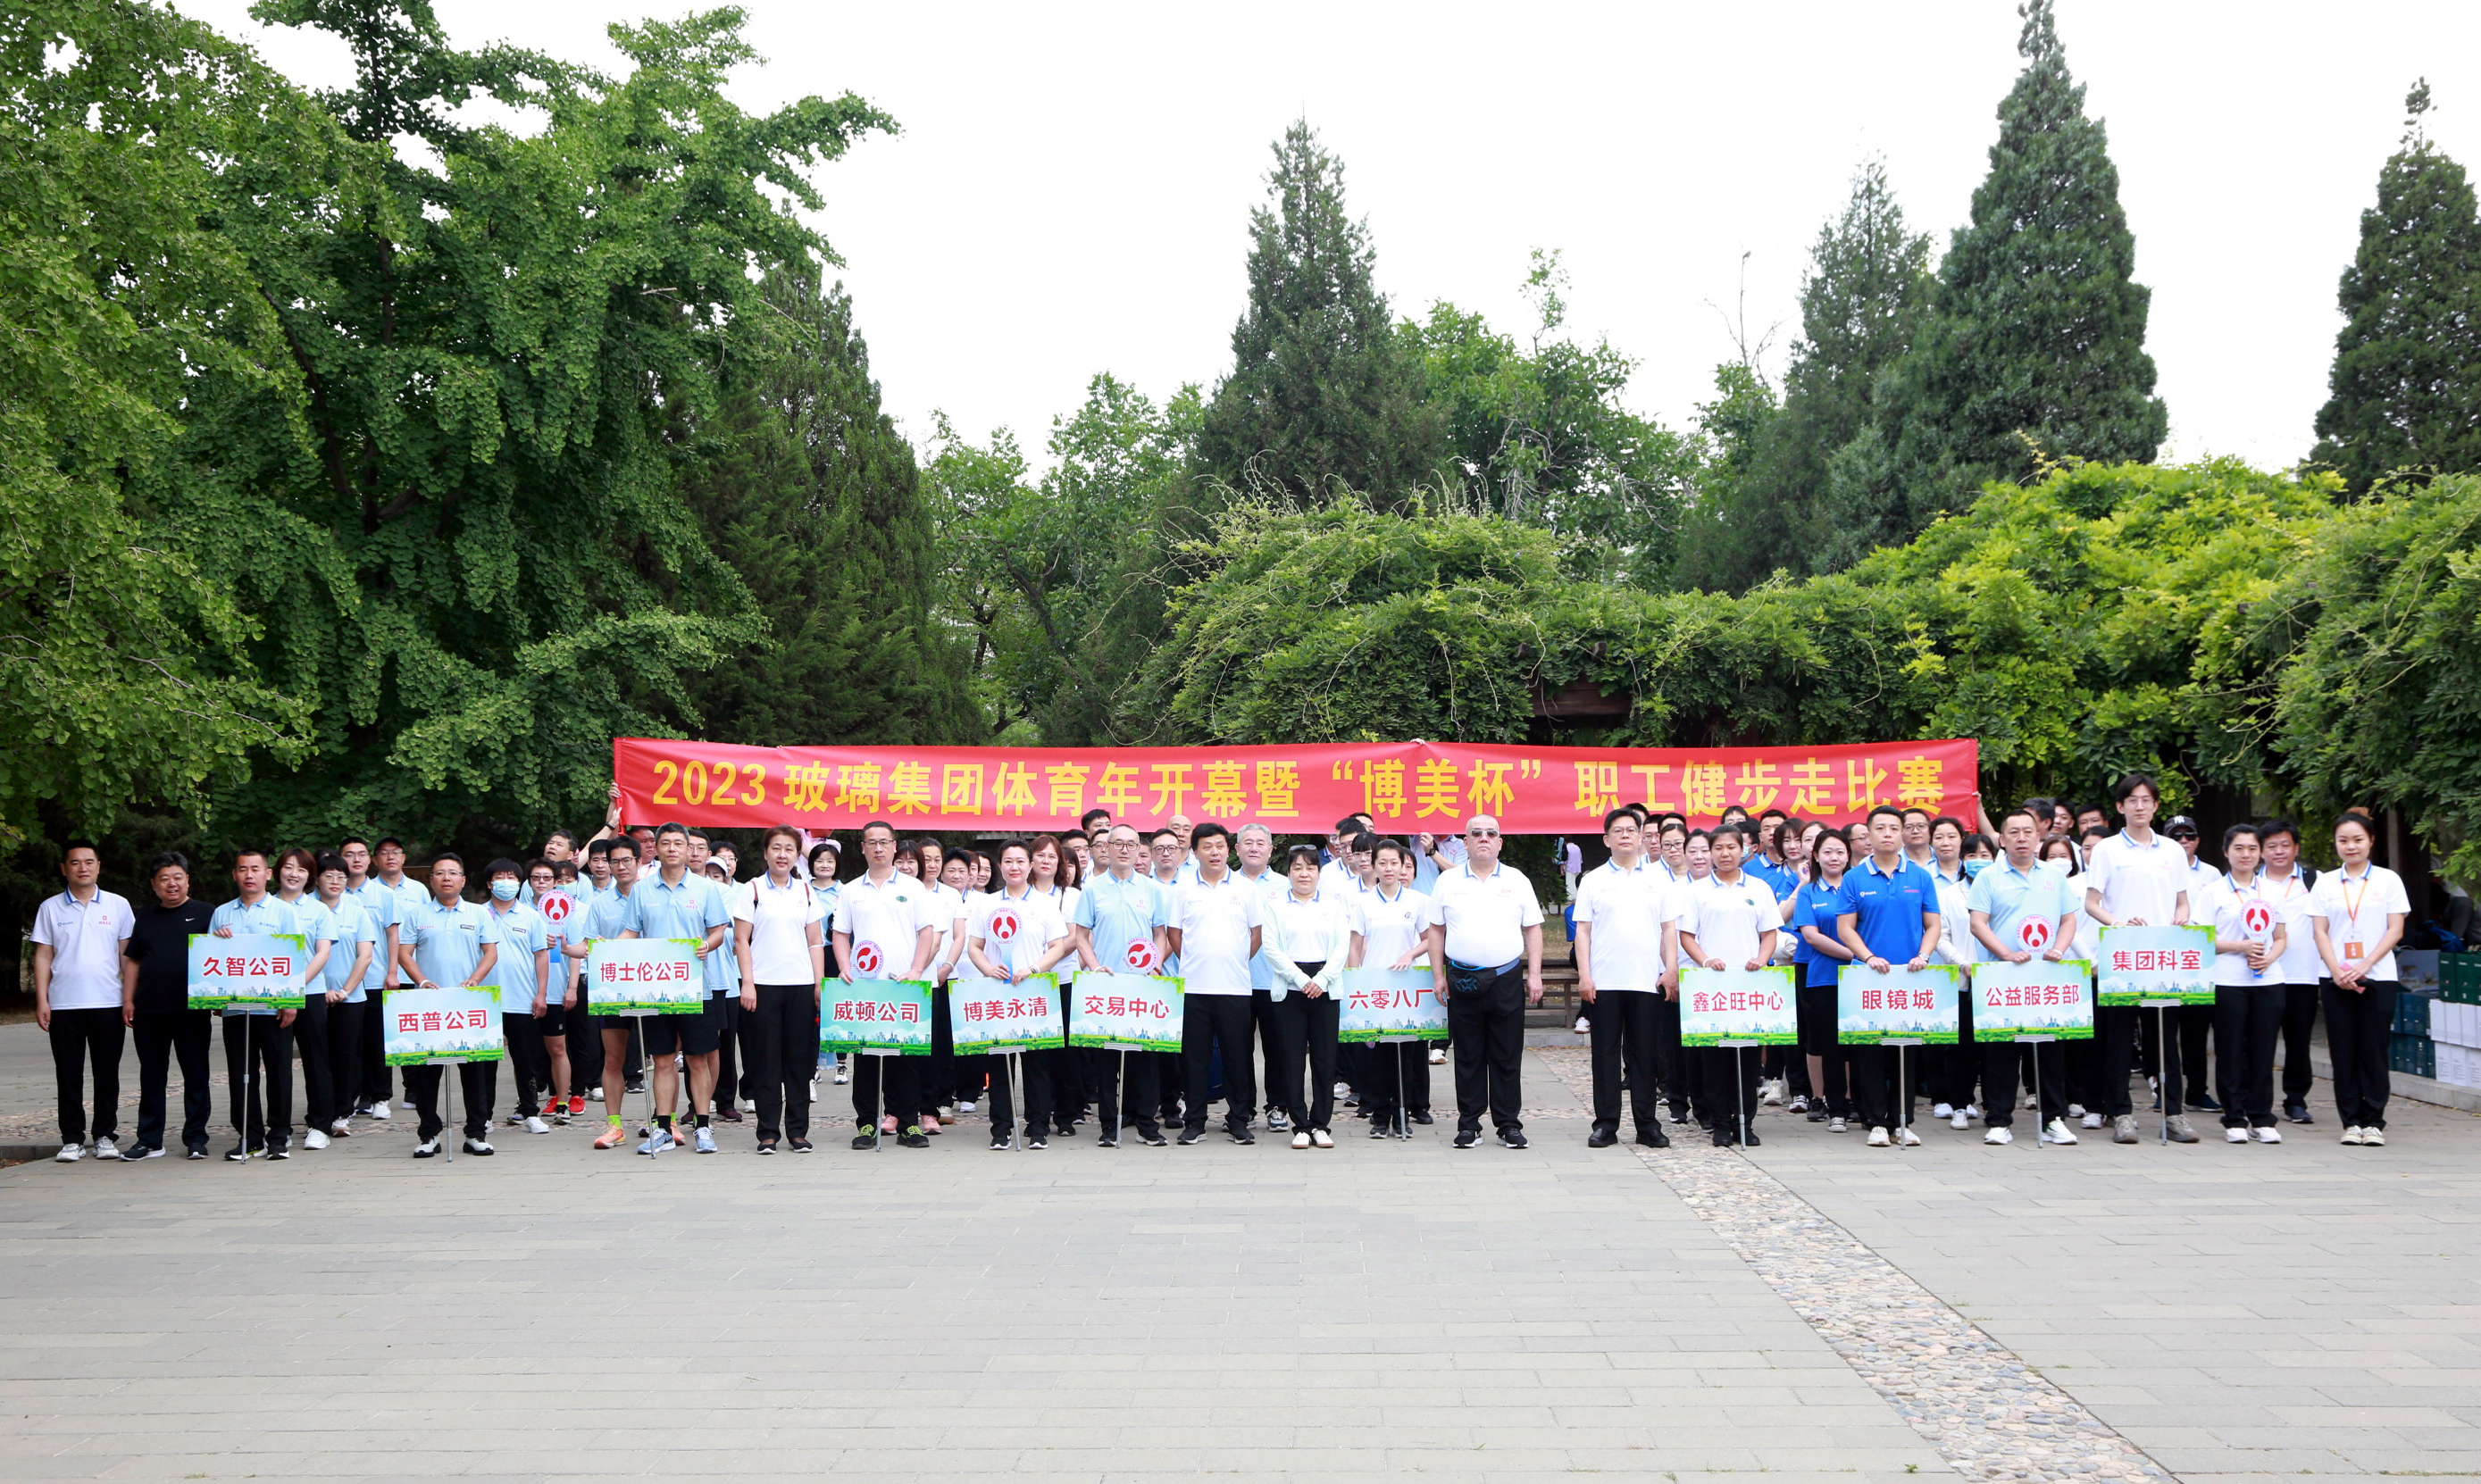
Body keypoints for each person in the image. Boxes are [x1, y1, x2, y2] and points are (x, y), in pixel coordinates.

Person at [2082, 773, 2194, 1145]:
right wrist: (2119, 925)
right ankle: (2122, 1113)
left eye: (2147, 800)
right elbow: (2092, 903)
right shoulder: (2107, 850)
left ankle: (2173, 1113)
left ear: (2156, 806)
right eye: (2133, 800)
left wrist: (2181, 918)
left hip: (2163, 958)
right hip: (2122, 958)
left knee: (2164, 1038)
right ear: (2120, 806)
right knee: (2119, 1039)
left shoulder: (2172, 851)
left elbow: (2182, 901)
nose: (2140, 806)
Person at [1425, 813, 1544, 1151]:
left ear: (1500, 842)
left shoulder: (1517, 880)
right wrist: (1438, 975)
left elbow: (1533, 928)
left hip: (1506, 977)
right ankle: (1469, 1124)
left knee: (1507, 1054)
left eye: (1491, 834)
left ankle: (1508, 1124)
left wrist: (1535, 974)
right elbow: (1436, 930)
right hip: (1462, 978)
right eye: (1476, 833)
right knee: (1468, 1054)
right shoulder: (1448, 881)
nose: (1483, 838)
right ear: (1465, 842)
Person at [1966, 808, 2082, 1146]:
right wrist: (2005, 953)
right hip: (2003, 977)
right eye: (2013, 832)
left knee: (2049, 1050)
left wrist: (2059, 949)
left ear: (2038, 837)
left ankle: (2053, 1118)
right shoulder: (1989, 876)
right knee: (2001, 1052)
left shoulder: (2054, 876)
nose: (2021, 838)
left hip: (2046, 976)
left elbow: (2068, 920)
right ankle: (1999, 1120)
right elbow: (1978, 923)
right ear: (2002, 839)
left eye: (2027, 832)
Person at [621, 822, 733, 1155]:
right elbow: (630, 932)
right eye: (665, 843)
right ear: (655, 849)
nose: (672, 848)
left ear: (688, 850)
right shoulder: (642, 889)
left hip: (696, 987)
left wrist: (707, 945)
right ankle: (663, 1128)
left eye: (678, 843)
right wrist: (605, 950)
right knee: (663, 1059)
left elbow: (719, 930)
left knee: (698, 1059)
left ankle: (702, 1126)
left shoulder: (705, 888)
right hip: (656, 989)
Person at [1835, 805, 1942, 1148]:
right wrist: (1868, 956)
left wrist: (1923, 955)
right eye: (1880, 828)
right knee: (1869, 1053)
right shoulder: (1855, 878)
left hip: (1908, 977)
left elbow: (1933, 924)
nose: (1887, 834)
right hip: (1868, 977)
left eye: (1894, 828)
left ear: (1903, 834)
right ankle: (1875, 1122)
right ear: (1868, 834)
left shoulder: (1920, 877)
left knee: (1905, 1051)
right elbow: (1845, 928)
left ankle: (1902, 1120)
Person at [1570, 809, 1677, 1150]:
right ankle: (1605, 1125)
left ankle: (1647, 1125)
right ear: (1607, 839)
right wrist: (1585, 975)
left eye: (1632, 830)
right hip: (1604, 981)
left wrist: (1671, 969)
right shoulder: (1594, 880)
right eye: (1618, 831)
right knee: (1605, 1055)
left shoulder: (1659, 879)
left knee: (1645, 1056)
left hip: (1646, 980)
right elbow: (1582, 931)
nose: (1626, 835)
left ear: (1642, 836)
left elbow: (1669, 928)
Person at [831, 820, 939, 1150]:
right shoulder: (851, 890)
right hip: (865, 987)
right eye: (871, 842)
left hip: (902, 985)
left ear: (894, 846)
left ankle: (907, 1124)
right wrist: (845, 967)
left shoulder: (913, 887)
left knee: (904, 1058)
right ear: (862, 848)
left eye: (884, 842)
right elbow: (840, 933)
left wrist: (916, 969)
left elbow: (926, 931)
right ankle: (866, 1123)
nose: (878, 848)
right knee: (866, 1058)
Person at [966, 841, 1076, 1149]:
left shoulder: (1044, 904)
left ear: (1030, 866)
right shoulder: (987, 904)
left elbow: (1057, 946)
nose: (1014, 867)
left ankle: (1038, 1126)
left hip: (1033, 991)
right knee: (1000, 1063)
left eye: (1020, 861)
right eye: (1008, 861)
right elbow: (974, 946)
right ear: (1000, 866)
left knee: (1037, 1063)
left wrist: (1035, 968)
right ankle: (1001, 1128)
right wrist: (989, 969)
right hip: (998, 994)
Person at [2310, 813, 2411, 1146]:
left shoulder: (2388, 880)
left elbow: (2395, 929)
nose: (2350, 846)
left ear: (2371, 841)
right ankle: (2351, 1122)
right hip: (2335, 978)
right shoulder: (2326, 882)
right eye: (2343, 840)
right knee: (2343, 1051)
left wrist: (2365, 964)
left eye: (2357, 840)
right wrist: (2337, 971)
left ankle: (2374, 1122)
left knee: (2374, 1049)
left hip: (2378, 977)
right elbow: (2320, 931)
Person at [1677, 826, 1781, 1146]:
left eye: (1731, 847)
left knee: (1748, 1059)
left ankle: (1744, 1121)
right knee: (1714, 1059)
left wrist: (1761, 959)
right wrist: (1706, 960)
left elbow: (1769, 933)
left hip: (1748, 984)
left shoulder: (1759, 888)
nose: (1725, 853)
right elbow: (1686, 935)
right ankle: (1720, 1122)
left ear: (1744, 850)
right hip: (1713, 986)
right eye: (1718, 848)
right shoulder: (1697, 890)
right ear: (1710, 852)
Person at [394, 853, 504, 1157]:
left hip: (468, 1002)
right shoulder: (417, 915)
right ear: (431, 880)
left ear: (463, 880)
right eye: (440, 873)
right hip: (430, 1002)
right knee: (426, 1074)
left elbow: (491, 953)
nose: (446, 878)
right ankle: (429, 1133)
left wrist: (474, 980)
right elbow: (404, 954)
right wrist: (422, 981)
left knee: (475, 1073)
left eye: (452, 873)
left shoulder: (478, 914)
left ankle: (476, 1132)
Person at [32, 841, 135, 1163]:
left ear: (98, 866)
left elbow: (127, 955)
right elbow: (43, 955)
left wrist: (129, 997)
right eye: (75, 862)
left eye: (89, 862)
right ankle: (72, 1139)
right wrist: (42, 999)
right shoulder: (50, 907)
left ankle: (104, 1135)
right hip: (64, 1004)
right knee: (68, 1074)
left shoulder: (118, 905)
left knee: (107, 1073)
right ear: (64, 869)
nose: (83, 868)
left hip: (108, 1002)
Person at [1073, 823, 1173, 1146]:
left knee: (1145, 1059)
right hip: (1108, 986)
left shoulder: (1151, 888)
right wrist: (1094, 966)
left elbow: (1160, 933)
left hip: (1142, 985)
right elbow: (1081, 936)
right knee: (1107, 1062)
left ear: (1139, 849)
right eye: (1119, 844)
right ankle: (1108, 1127)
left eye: (1132, 844)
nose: (1125, 850)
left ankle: (1147, 1125)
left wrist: (1156, 963)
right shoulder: (1093, 889)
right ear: (1107, 848)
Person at [207, 849, 307, 1161]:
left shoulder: (283, 912)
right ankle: (249, 1136)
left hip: (274, 1007)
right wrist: (215, 998)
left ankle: (279, 1136)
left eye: (255, 869)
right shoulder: (222, 913)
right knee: (241, 1073)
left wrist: (291, 1001)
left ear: (267, 874)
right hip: (236, 1008)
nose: (249, 875)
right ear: (234, 874)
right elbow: (210, 958)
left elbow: (294, 956)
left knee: (279, 1071)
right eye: (242, 869)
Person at [734, 826, 828, 1154]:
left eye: (789, 848)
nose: (782, 854)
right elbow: (741, 940)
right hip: (763, 987)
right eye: (776, 848)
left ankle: (798, 1131)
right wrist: (748, 982)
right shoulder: (752, 889)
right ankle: (768, 1132)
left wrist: (819, 982)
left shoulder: (805, 891)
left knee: (799, 1062)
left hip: (801, 986)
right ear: (766, 853)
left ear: (796, 855)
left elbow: (815, 941)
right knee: (766, 1060)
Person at [1170, 821, 1265, 1146]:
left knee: (1236, 1057)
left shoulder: (1245, 888)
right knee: (1194, 1058)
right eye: (1207, 847)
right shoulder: (1183, 889)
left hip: (1234, 987)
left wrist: (1235, 960)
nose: (1214, 852)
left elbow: (1256, 935)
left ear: (1228, 850)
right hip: (1194, 987)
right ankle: (1194, 1121)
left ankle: (1238, 1119)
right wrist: (1195, 961)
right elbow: (1174, 934)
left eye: (1220, 846)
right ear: (1195, 851)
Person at [120, 853, 219, 1159]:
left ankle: (196, 1138)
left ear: (188, 880)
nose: (171, 884)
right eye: (164, 879)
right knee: (151, 1075)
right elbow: (133, 959)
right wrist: (128, 999)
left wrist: (219, 999)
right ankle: (150, 1139)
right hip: (149, 1009)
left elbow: (222, 956)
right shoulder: (146, 917)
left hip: (192, 1009)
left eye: (177, 877)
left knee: (196, 1074)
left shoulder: (208, 914)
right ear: (154, 884)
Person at [1264, 844, 1353, 1149]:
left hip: (1326, 987)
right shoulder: (1276, 906)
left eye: (1310, 868)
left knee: (1325, 1060)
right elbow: (1271, 948)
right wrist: (1301, 979)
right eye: (1297, 868)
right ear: (1289, 872)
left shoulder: (1333, 906)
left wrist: (1322, 979)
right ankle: (1300, 1125)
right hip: (1291, 988)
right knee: (1291, 1060)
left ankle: (1321, 1124)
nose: (1304, 874)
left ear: (1318, 872)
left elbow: (1341, 946)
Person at [1345, 838, 1437, 1135]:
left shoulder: (1417, 901)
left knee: (1407, 1053)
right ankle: (1380, 1116)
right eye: (1382, 863)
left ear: (1403, 866)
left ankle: (1402, 1114)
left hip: (1407, 985)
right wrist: (1354, 980)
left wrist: (1410, 955)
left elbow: (1430, 939)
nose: (1388, 868)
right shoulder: (1363, 903)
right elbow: (1355, 944)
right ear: (1374, 866)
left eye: (1394, 863)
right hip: (1375, 986)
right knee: (1376, 1055)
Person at [2204, 824, 2288, 1143]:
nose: (2246, 854)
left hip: (2268, 981)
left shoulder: (2272, 891)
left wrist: (2269, 958)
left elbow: (2281, 938)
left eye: (2252, 848)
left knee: (2263, 1052)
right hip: (2227, 980)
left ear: (2260, 853)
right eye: (2239, 848)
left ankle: (2262, 1117)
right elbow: (2202, 939)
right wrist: (2239, 946)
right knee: (2230, 1051)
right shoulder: (2213, 892)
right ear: (2226, 852)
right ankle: (2234, 1118)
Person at [270, 848, 342, 1149]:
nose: (294, 874)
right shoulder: (266, 906)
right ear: (277, 871)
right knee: (277, 1063)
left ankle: (320, 1124)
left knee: (316, 1060)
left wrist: (296, 985)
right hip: (271, 997)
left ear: (309, 876)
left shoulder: (318, 910)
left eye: (301, 869)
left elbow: (322, 953)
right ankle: (280, 1128)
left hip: (310, 993)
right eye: (288, 867)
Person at [1790, 826, 1857, 1132]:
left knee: (1858, 1042)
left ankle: (1856, 1101)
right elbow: (1812, 936)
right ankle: (1835, 1106)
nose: (1834, 857)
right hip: (1824, 976)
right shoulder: (1809, 891)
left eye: (1840, 851)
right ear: (1815, 856)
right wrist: (1856, 954)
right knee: (1829, 1043)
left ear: (1848, 855)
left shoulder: (1856, 887)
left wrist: (1861, 959)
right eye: (1827, 852)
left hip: (1861, 976)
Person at [2257, 819, 2324, 1125]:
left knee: (2298, 1041)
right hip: (2261, 974)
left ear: (2296, 848)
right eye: (2271, 846)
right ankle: (2257, 1101)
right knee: (2260, 1042)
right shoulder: (2251, 883)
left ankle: (2296, 1100)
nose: (2279, 851)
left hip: (2302, 974)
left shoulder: (2315, 881)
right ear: (2261, 851)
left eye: (2285, 845)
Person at [581, 836, 646, 1149]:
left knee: (663, 1059)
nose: (621, 866)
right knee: (613, 1058)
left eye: (626, 860)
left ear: (639, 862)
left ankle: (665, 1121)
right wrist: (574, 948)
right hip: (613, 989)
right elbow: (588, 944)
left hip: (655, 986)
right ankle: (615, 1126)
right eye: (614, 861)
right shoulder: (600, 903)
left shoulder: (654, 896)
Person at [309, 852, 379, 1142]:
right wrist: (322, 989)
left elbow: (365, 956)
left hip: (350, 996)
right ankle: (319, 1113)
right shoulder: (304, 908)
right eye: (329, 876)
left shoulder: (356, 910)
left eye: (341, 877)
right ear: (316, 879)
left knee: (346, 1057)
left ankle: (342, 1112)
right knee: (317, 1058)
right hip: (312, 994)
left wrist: (345, 990)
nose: (335, 881)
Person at [483, 860, 555, 1137]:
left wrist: (541, 994)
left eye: (511, 878)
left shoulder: (531, 916)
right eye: (500, 877)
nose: (506, 882)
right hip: (486, 1000)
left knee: (526, 1061)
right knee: (485, 1064)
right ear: (489, 883)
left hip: (522, 998)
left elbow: (541, 955)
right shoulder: (478, 915)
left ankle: (530, 1112)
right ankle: (483, 1115)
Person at [337, 838, 399, 1121]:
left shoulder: (383, 894)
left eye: (362, 854)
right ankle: (352, 1098)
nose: (356, 860)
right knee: (351, 1043)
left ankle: (381, 1096)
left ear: (370, 860)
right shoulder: (332, 893)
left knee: (378, 1041)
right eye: (349, 855)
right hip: (343, 980)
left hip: (375, 977)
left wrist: (392, 971)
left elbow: (392, 935)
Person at [1925, 816, 1980, 1130]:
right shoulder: (1925, 876)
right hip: (1938, 965)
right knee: (1942, 1038)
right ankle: (1942, 1097)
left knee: (1971, 1042)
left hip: (1981, 971)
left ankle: (1966, 1099)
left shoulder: (1983, 880)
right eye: (1940, 836)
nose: (1946, 842)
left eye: (1952, 836)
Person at [2162, 814, 2220, 1113]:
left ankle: (2197, 1090)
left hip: (2198, 962)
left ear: (2198, 840)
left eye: (2189, 836)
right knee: (2162, 1031)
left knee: (2196, 1030)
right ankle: (2165, 1090)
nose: (2183, 841)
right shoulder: (2158, 869)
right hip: (2162, 960)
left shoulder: (2212, 874)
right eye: (2176, 836)